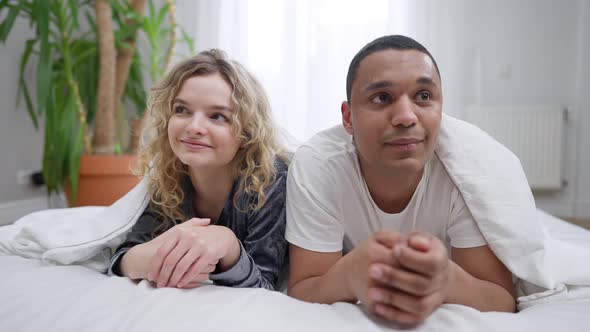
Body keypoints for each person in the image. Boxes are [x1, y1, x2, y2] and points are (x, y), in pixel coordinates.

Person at [285, 35, 516, 325]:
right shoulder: (318, 166)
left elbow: (502, 299)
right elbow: (303, 289)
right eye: (382, 98)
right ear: (348, 119)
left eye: (423, 96)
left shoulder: (467, 170)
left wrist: (448, 279)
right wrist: (348, 275)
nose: (406, 117)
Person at [107, 49, 288, 291]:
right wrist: (149, 259)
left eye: (217, 116)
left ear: (247, 132)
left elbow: (265, 286)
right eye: (182, 110)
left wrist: (229, 246)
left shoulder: (270, 179)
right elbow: (121, 258)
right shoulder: (171, 174)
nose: (194, 127)